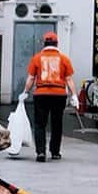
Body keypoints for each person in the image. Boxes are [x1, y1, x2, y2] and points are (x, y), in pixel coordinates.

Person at [20, 31, 77, 162]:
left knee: (40, 124)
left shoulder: (36, 58)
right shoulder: (64, 59)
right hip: (59, 95)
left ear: (44, 43)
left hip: (41, 94)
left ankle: (41, 152)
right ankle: (55, 152)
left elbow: (30, 78)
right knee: (57, 124)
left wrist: (25, 92)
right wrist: (74, 95)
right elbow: (69, 79)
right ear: (56, 44)